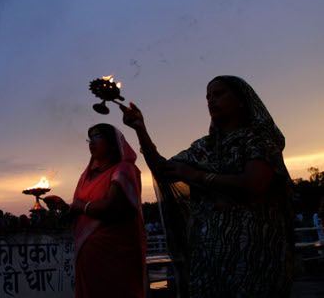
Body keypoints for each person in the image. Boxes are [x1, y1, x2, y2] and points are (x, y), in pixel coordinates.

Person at [121, 75, 294, 297]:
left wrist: (196, 176)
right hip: (208, 251)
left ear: (242, 100)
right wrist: (140, 129)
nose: (211, 101)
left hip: (253, 250)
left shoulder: (258, 139)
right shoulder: (206, 146)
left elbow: (254, 184)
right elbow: (164, 170)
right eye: (208, 97)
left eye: (219, 94)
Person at [46, 123, 147, 298]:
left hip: (115, 258)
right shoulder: (85, 177)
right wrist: (63, 206)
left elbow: (112, 206)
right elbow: (78, 211)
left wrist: (81, 206)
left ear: (113, 143)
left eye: (97, 137)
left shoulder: (123, 170)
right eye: (89, 139)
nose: (91, 143)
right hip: (88, 259)